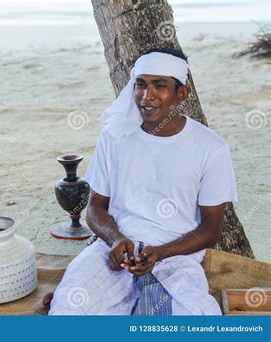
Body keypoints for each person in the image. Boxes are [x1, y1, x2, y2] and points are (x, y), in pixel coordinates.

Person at [49, 48, 238, 315]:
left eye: (160, 86)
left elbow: (211, 229)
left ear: (181, 94)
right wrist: (116, 239)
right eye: (141, 85)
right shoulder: (115, 137)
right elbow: (95, 208)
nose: (147, 96)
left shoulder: (211, 148)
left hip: (175, 257)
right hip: (112, 251)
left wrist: (161, 252)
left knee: (194, 318)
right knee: (69, 306)